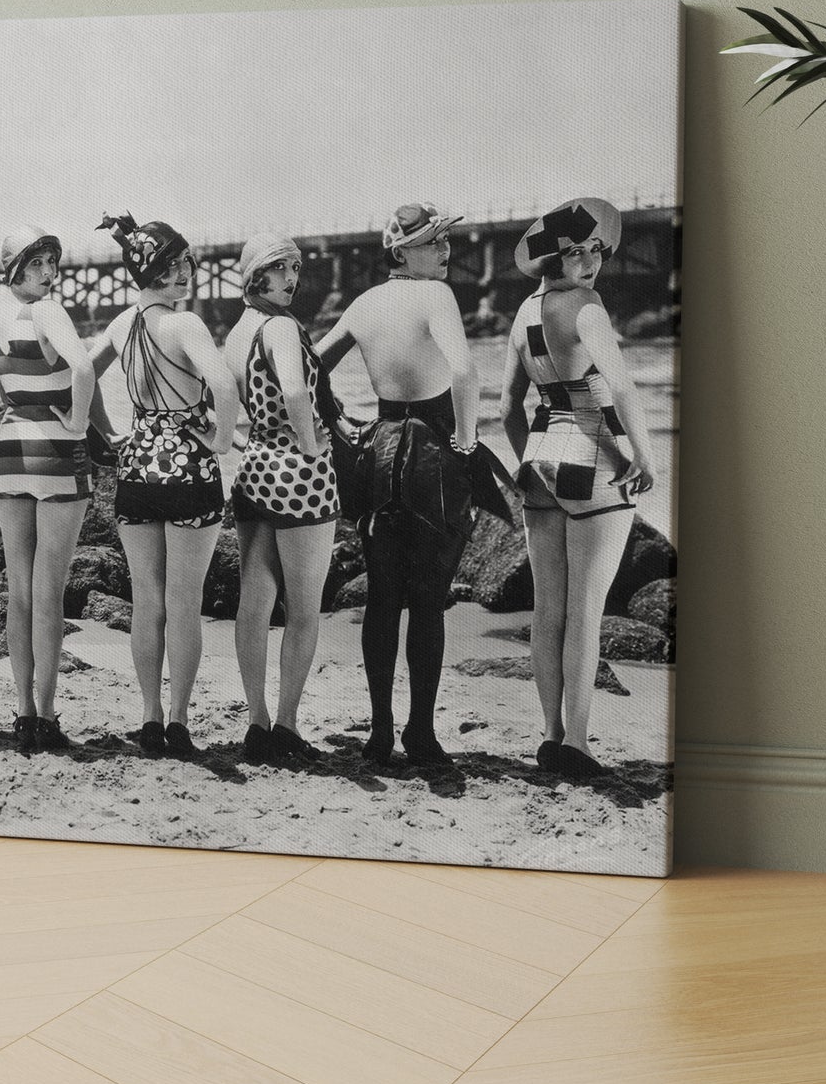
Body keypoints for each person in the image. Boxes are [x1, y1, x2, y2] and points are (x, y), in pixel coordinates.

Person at [317, 203, 479, 769]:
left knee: (384, 598)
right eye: (435, 242)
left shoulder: (365, 303)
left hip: (380, 451)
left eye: (445, 241)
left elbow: (313, 366)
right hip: (432, 451)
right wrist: (465, 440)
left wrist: (337, 425)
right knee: (428, 601)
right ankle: (422, 734)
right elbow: (462, 371)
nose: (446, 251)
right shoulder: (436, 296)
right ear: (402, 251)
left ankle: (379, 733)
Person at [500, 196, 655, 781]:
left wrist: (531, 458)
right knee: (585, 615)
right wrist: (644, 456)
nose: (588, 262)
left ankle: (549, 735)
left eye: (595, 250)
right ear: (552, 258)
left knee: (548, 612)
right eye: (573, 252)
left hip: (541, 458)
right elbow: (622, 389)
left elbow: (509, 407)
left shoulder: (523, 313)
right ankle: (579, 743)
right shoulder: (587, 308)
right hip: (591, 459)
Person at [92, 213, 238, 759]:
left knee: (146, 601)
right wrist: (222, 442)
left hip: (137, 470)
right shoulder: (186, 324)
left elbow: (84, 376)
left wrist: (108, 436)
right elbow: (222, 383)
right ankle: (178, 719)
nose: (184, 274)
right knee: (183, 602)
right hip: (189, 470)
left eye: (185, 264)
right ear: (152, 268)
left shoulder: (120, 324)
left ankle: (150, 714)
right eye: (174, 265)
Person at [223, 233, 339, 765]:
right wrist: (314, 445)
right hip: (300, 472)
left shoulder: (239, 331)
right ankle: (288, 726)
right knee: (305, 609)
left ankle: (256, 722)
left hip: (255, 467)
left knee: (254, 600)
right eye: (279, 269)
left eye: (294, 267)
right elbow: (295, 392)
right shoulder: (281, 326)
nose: (292, 278)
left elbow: (229, 403)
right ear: (256, 277)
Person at [0, 226, 95, 753]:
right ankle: (47, 714)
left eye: (52, 263)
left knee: (19, 590)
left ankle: (22, 711)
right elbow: (84, 366)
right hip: (52, 450)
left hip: (8, 449)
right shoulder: (48, 312)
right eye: (40, 264)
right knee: (49, 589)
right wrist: (77, 424)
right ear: (19, 269)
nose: (50, 274)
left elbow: (6, 386)